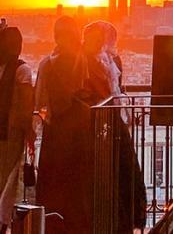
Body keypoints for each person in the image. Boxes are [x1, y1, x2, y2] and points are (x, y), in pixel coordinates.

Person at [82, 21, 147, 233]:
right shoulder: (108, 61)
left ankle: (123, 219)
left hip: (105, 123)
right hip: (109, 122)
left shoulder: (91, 61)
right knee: (124, 171)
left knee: (118, 172)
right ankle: (128, 219)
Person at [35, 16, 92, 233]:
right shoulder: (82, 60)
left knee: (54, 181)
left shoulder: (48, 64)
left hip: (57, 129)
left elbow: (39, 101)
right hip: (80, 128)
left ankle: (53, 225)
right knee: (76, 182)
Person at [0, 27, 34, 234]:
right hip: (11, 135)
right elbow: (25, 104)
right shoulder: (22, 70)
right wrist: (29, 130)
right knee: (9, 183)